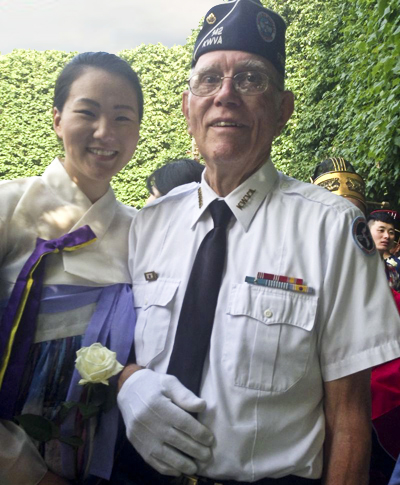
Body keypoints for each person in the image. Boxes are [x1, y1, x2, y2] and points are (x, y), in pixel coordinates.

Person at [117, 1, 400, 484]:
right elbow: (123, 346)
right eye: (208, 79)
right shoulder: (149, 223)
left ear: (283, 110)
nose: (225, 95)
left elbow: (349, 417)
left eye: (250, 78)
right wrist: (128, 381)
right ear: (188, 108)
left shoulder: (330, 229)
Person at [0, 51, 143, 485]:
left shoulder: (143, 231)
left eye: (123, 118)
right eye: (88, 113)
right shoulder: (9, 206)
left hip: (108, 463)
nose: (105, 132)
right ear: (58, 119)